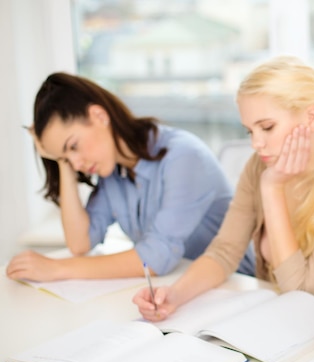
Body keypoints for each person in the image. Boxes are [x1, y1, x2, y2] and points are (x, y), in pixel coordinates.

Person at [133, 55, 314, 321]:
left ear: (311, 117)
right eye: (250, 131)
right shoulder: (259, 166)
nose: (256, 143)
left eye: (267, 127)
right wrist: (174, 296)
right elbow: (224, 252)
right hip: (278, 320)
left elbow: (299, 286)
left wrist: (272, 188)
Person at [6, 72, 254, 281]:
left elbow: (157, 258)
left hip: (240, 289)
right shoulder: (113, 174)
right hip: (180, 291)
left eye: (73, 146)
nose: (76, 164)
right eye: (66, 157)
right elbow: (80, 243)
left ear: (99, 116)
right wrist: (60, 160)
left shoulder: (183, 156)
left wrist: (57, 268)